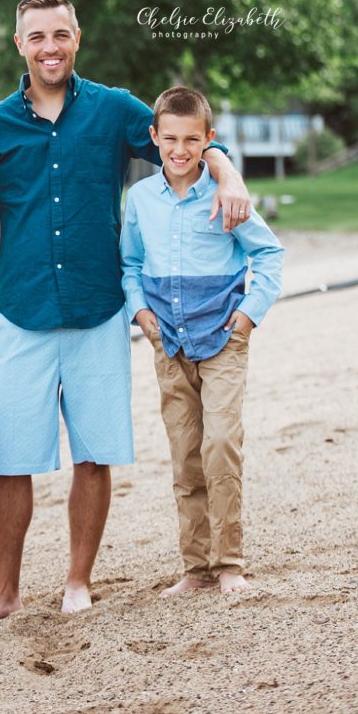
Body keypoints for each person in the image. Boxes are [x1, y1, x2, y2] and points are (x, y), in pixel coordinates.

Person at [0, 0, 252, 628]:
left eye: (59, 34)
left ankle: (77, 581)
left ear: (76, 37)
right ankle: (2, 591)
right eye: (36, 37)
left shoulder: (117, 110)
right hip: (22, 310)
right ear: (20, 45)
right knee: (12, 459)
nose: (49, 47)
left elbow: (185, 138)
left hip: (98, 309)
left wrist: (226, 172)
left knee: (93, 453)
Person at [120, 86, 284, 595]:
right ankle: (195, 569)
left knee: (219, 446)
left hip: (223, 342)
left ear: (209, 140)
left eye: (192, 139)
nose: (180, 149)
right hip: (167, 343)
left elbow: (270, 254)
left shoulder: (225, 193)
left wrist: (248, 316)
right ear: (154, 138)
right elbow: (128, 264)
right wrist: (141, 313)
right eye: (170, 138)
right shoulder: (141, 199)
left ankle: (229, 562)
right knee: (186, 455)